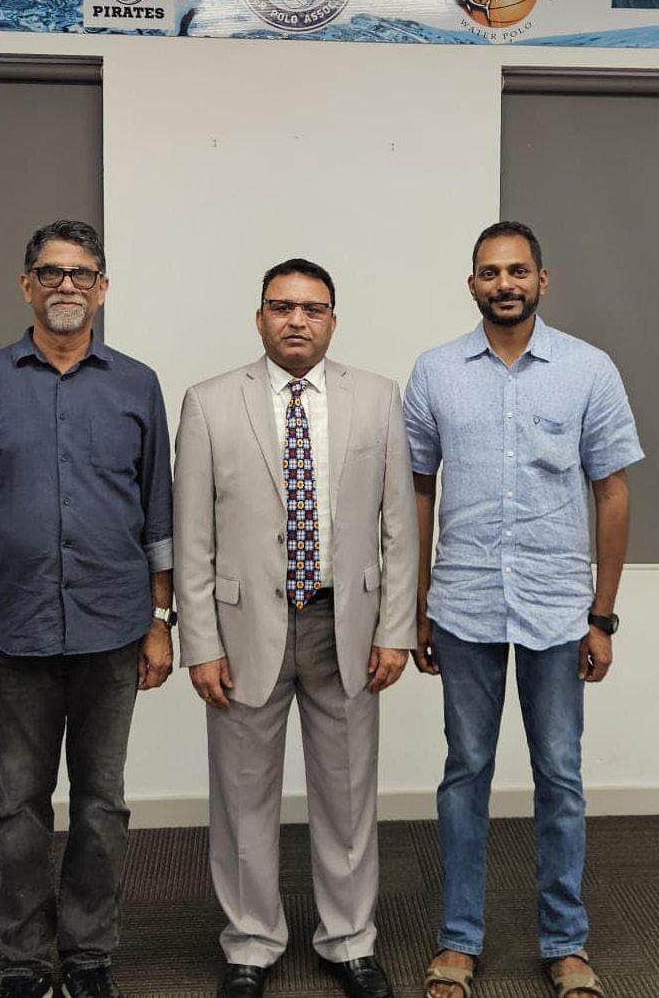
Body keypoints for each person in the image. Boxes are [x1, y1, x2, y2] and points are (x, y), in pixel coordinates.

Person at [0, 220, 175, 998]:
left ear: (102, 288)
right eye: (50, 272)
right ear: (26, 285)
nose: (65, 285)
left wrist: (160, 621)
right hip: (16, 636)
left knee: (102, 806)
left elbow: (158, 518)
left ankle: (89, 954)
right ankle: (26, 960)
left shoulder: (137, 385)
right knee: (20, 809)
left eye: (80, 273)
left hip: (113, 632)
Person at [403, 222, 644, 998]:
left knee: (560, 777)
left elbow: (612, 491)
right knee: (465, 772)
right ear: (471, 284)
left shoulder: (588, 370)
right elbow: (417, 490)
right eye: (489, 272)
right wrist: (418, 605)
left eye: (517, 270)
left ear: (544, 279)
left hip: (557, 608)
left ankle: (565, 943)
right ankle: (458, 940)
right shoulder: (435, 372)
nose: (503, 283)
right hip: (464, 602)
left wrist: (602, 616)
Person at [174, 258, 418, 998]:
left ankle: (349, 940)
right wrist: (200, 642)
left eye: (313, 309)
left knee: (348, 793)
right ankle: (250, 942)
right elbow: (192, 536)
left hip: (348, 626)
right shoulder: (209, 403)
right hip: (244, 631)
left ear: (333, 320)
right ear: (260, 318)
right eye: (282, 307)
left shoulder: (377, 398)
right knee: (242, 795)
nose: (297, 321)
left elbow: (399, 527)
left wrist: (395, 629)